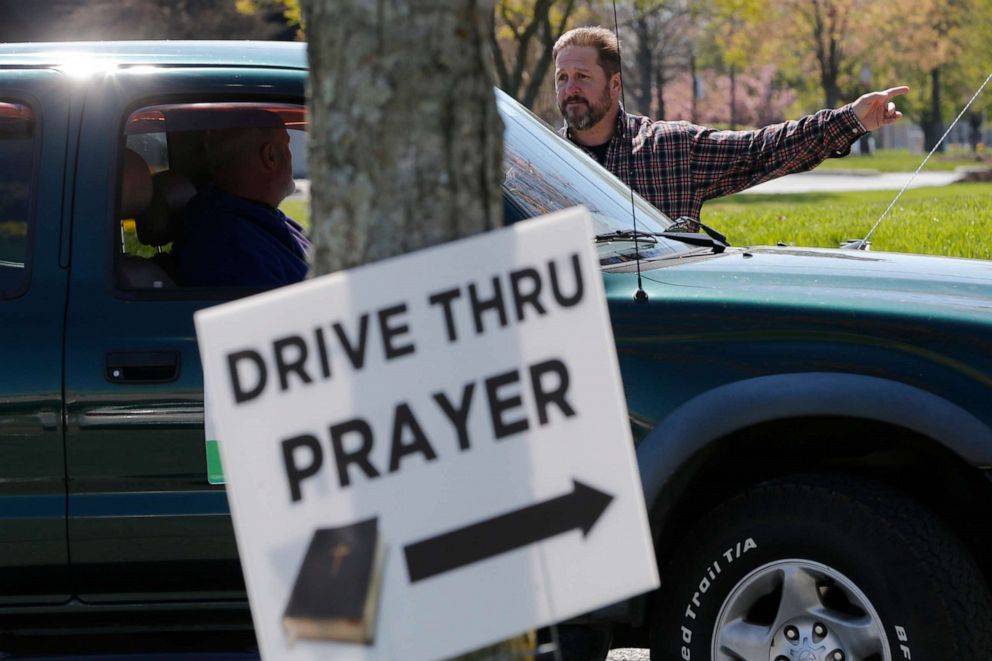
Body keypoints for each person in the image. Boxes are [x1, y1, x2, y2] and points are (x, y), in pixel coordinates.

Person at [553, 27, 909, 227]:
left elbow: (764, 149)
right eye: (562, 78)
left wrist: (851, 119)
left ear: (615, 85)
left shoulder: (671, 149)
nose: (570, 89)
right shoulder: (542, 165)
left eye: (582, 77)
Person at [174, 113, 309, 287]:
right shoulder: (230, 248)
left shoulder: (260, 218)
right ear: (270, 156)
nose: (291, 155)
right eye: (287, 145)